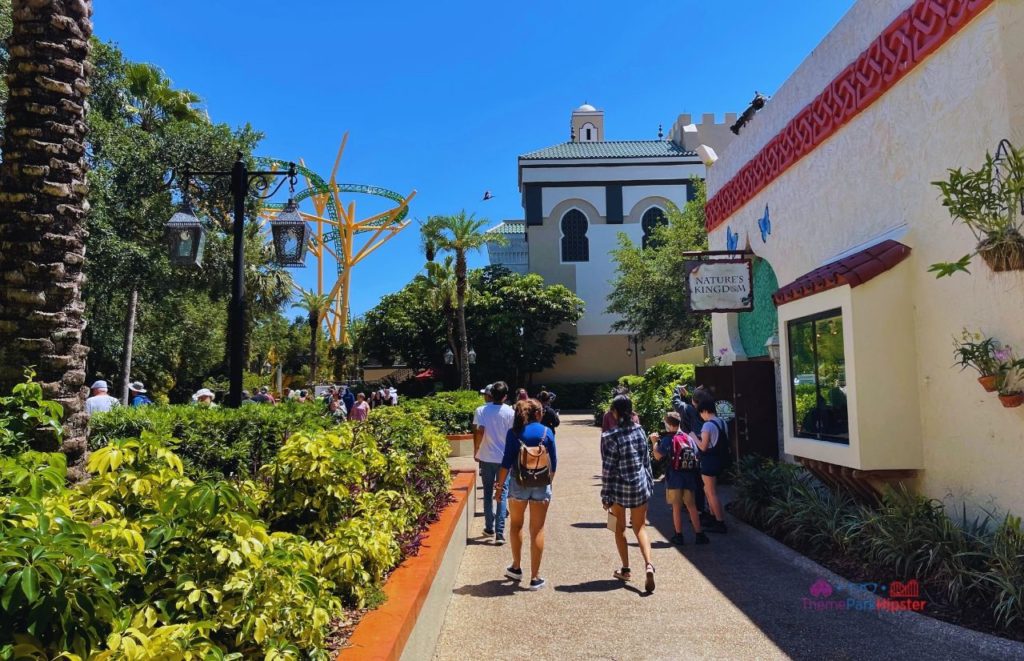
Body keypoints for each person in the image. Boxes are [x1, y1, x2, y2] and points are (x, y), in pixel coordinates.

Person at [495, 398, 557, 591]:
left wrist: (499, 488)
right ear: (538, 413)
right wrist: (548, 483)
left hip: (518, 483)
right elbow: (553, 463)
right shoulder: (547, 432)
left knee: (516, 525)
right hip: (540, 484)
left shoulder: (514, 433)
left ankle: (516, 567)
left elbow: (506, 463)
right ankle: (535, 577)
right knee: (537, 529)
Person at [601, 395, 656, 593]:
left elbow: (608, 470)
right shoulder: (640, 431)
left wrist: (605, 495)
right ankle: (649, 564)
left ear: (614, 412)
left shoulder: (609, 437)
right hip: (639, 486)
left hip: (618, 489)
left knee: (619, 529)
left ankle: (625, 569)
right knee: (640, 527)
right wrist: (649, 484)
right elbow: (646, 461)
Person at [650, 412, 708, 545]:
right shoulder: (688, 438)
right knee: (691, 506)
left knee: (676, 507)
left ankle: (679, 535)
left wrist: (654, 443)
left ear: (669, 425)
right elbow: (697, 454)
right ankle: (699, 534)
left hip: (674, 477)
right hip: (689, 476)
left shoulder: (668, 439)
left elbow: (658, 455)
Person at [472, 381, 515, 545]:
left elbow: (479, 431)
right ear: (505, 396)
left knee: (488, 493)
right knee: (502, 494)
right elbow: (513, 435)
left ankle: (489, 527)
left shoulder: (481, 410)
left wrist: (476, 450)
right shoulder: (510, 412)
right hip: (504, 459)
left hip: (486, 457)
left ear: (490, 395)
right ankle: (500, 533)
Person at [694, 399, 729, 534]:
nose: (701, 416)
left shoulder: (707, 425)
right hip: (719, 460)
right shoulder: (722, 422)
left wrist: (693, 437)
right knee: (709, 490)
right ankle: (713, 518)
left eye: (701, 413)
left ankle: (719, 522)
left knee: (710, 492)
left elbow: (703, 447)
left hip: (709, 461)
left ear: (705, 411)